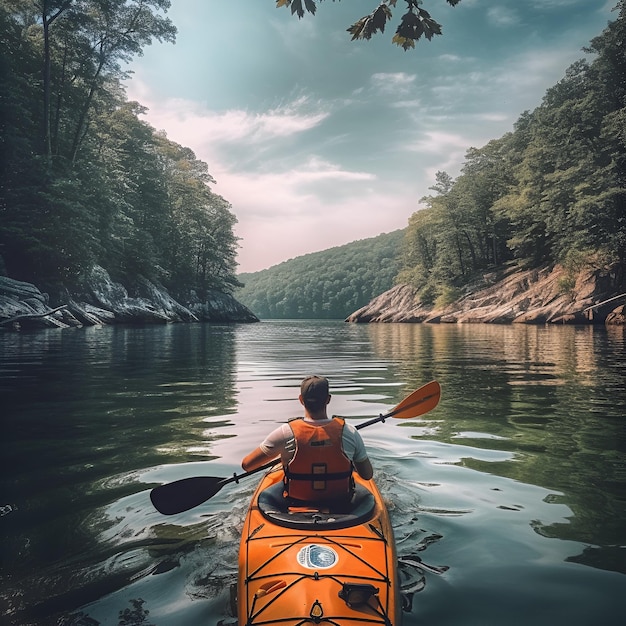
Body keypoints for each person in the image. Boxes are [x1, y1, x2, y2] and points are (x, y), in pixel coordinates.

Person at [242, 375, 373, 503]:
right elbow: (367, 475)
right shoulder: (350, 432)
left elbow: (247, 465)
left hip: (295, 504)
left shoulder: (285, 433)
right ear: (328, 399)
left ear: (301, 399)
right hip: (342, 504)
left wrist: (283, 459)